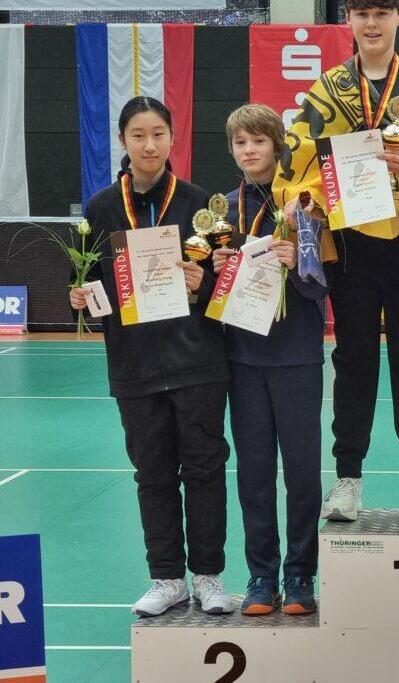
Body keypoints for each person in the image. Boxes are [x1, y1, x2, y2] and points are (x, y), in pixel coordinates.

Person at [273, 0, 399, 525]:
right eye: (361, 13)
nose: (371, 24)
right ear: (348, 20)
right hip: (350, 250)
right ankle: (348, 477)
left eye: (381, 12)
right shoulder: (327, 88)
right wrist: (304, 199)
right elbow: (298, 157)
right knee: (352, 362)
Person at [69, 96, 233, 617]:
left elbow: (223, 287)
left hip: (197, 363)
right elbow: (87, 288)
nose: (149, 145)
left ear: (172, 137)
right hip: (135, 366)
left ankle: (208, 576)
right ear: (123, 141)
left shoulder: (200, 204)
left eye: (158, 133)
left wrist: (204, 281)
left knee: (204, 469)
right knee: (153, 475)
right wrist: (81, 298)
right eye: (138, 135)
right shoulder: (99, 209)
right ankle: (166, 578)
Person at [211, 104, 326, 616]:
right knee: (254, 472)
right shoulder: (221, 211)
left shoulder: (304, 204)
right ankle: (261, 575)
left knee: (302, 473)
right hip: (242, 357)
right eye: (240, 142)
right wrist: (213, 268)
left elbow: (323, 288)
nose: (249, 150)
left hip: (297, 355)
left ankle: (300, 574)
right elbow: (205, 296)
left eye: (259, 141)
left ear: (278, 146)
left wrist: (299, 263)